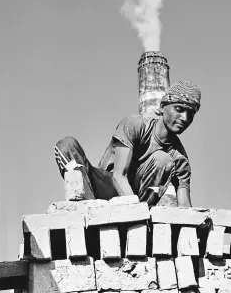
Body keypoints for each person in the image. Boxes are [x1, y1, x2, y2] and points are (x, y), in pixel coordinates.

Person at [54, 80, 201, 207]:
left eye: (191, 114)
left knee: (163, 160)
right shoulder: (135, 125)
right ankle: (89, 209)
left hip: (140, 201)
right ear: (163, 106)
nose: (184, 118)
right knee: (67, 145)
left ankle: (138, 222)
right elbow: (118, 176)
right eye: (179, 109)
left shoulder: (179, 158)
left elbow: (184, 206)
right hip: (104, 186)